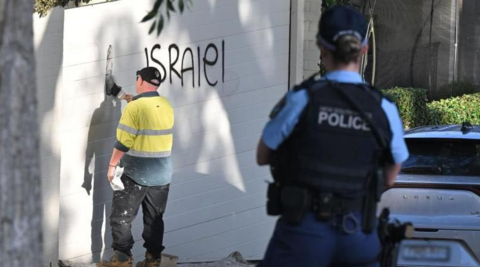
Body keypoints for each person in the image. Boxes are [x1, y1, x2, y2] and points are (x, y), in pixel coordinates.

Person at [256, 5, 409, 267]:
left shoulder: (302, 99)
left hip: (302, 235)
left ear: (321, 47)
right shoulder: (384, 107)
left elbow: (263, 155)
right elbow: (392, 174)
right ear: (364, 49)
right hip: (359, 234)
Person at [99, 67, 174, 267]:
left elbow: (124, 142)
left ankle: (122, 260)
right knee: (154, 220)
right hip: (162, 175)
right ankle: (153, 260)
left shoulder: (135, 109)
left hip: (136, 174)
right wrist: (121, 94)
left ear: (140, 79)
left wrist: (112, 165)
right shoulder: (165, 104)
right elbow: (145, 108)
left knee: (122, 217)